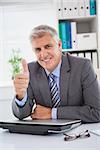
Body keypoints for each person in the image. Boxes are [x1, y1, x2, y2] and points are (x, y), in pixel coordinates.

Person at [12, 25, 100, 123]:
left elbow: (97, 112)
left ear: (59, 45)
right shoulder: (31, 71)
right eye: (38, 49)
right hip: (46, 134)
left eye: (48, 46)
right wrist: (20, 96)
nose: (43, 54)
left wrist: (52, 113)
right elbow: (21, 115)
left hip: (79, 132)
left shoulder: (83, 66)